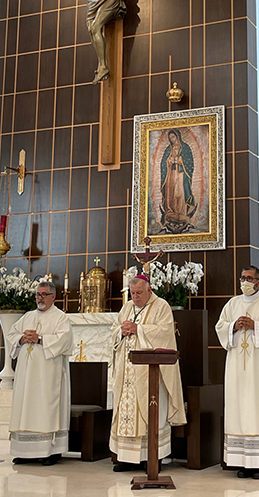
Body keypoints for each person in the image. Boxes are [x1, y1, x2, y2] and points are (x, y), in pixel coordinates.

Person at [215, 266, 259, 480]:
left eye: (250, 278)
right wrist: (233, 327)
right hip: (237, 368)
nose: (245, 281)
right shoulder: (233, 303)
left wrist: (256, 326)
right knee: (239, 408)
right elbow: (220, 327)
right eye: (243, 278)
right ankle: (242, 461)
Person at [110, 273, 186, 472]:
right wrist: (121, 331)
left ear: (149, 290)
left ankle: (152, 458)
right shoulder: (127, 307)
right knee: (126, 411)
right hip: (127, 372)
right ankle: (126, 458)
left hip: (150, 372)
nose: (135, 297)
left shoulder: (161, 306)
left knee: (150, 411)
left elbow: (165, 332)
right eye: (132, 293)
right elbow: (113, 330)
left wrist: (139, 329)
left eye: (139, 293)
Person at [8, 281, 74, 465]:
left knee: (46, 405)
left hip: (48, 373)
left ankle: (50, 451)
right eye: (38, 294)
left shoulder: (60, 317)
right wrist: (22, 338)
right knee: (25, 405)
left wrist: (41, 339)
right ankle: (23, 450)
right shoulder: (27, 317)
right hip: (26, 373)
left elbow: (65, 341)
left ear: (53, 296)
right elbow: (11, 334)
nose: (40, 298)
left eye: (44, 294)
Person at [159, 129, 196, 233]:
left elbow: (189, 162)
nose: (172, 139)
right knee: (170, 192)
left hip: (180, 174)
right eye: (170, 138)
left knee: (179, 193)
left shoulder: (185, 148)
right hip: (170, 174)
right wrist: (169, 161)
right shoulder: (168, 149)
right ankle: (170, 212)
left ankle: (181, 213)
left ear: (178, 136)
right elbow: (163, 164)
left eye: (173, 137)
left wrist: (180, 160)